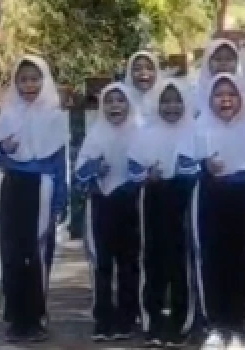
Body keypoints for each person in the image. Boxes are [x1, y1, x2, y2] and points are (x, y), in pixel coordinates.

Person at [0, 56, 70, 344]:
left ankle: (36, 319)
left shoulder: (56, 117)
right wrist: (4, 147)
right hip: (14, 189)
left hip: (42, 188)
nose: (29, 85)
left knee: (38, 255)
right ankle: (15, 318)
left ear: (44, 82)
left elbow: (59, 164)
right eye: (23, 80)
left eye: (35, 79)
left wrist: (60, 201)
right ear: (16, 84)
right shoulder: (7, 116)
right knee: (11, 253)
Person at [194, 74, 245, 350]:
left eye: (231, 94)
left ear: (241, 98)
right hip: (210, 202)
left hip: (243, 202)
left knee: (240, 265)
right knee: (211, 263)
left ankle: (239, 327)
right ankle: (215, 326)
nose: (225, 100)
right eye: (219, 95)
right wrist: (205, 167)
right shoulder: (199, 127)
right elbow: (184, 165)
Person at [129, 78, 200, 348]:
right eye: (165, 101)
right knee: (153, 260)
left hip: (185, 201)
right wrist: (148, 176)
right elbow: (132, 169)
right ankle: (153, 321)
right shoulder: (145, 133)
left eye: (177, 100)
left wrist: (187, 172)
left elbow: (202, 167)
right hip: (154, 201)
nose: (171, 106)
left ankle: (182, 322)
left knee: (182, 262)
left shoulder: (195, 131)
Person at [76, 82, 144, 342]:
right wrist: (95, 169)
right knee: (101, 264)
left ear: (129, 104)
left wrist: (132, 184)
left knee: (129, 263)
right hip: (101, 204)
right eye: (109, 101)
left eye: (120, 100)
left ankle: (127, 317)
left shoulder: (140, 133)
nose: (115, 106)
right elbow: (80, 173)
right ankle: (102, 319)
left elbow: (146, 166)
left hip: (130, 203)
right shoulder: (95, 135)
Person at [193, 38, 243, 115]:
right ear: (208, 62)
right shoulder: (196, 96)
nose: (223, 63)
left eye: (229, 59)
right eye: (218, 59)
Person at [126, 50, 162, 119]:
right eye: (137, 69)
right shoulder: (120, 101)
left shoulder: (167, 101)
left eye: (149, 68)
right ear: (130, 73)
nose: (143, 72)